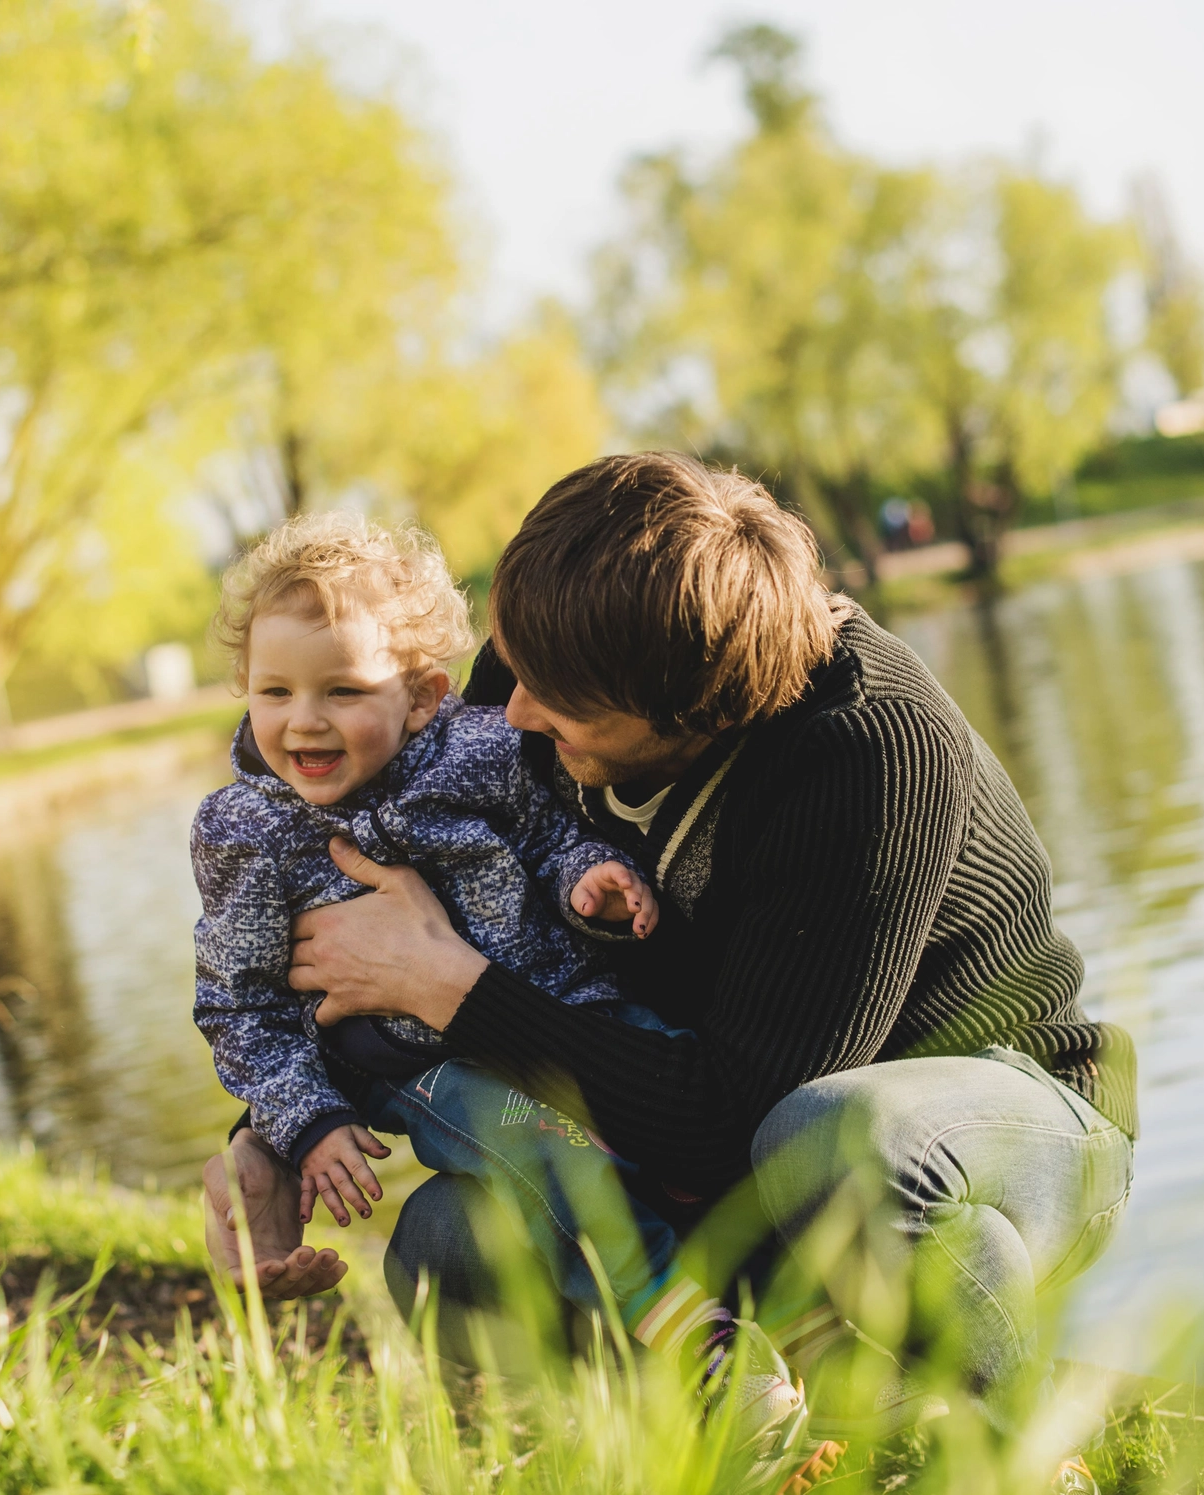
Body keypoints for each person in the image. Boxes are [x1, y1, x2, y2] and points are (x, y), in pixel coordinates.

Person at [202, 454, 1136, 1452]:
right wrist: (271, 1130)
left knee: (838, 1134)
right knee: (446, 1249)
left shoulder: (865, 749)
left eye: (554, 703)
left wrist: (448, 986)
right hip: (730, 1160)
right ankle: (754, 1405)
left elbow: (731, 1115)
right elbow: (358, 914)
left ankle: (1006, 1445)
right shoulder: (557, 657)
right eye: (510, 667)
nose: (509, 712)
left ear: (691, 712)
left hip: (981, 1127)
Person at [190, 512, 811, 1462]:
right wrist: (302, 1120)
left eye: (343, 689)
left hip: (557, 1006)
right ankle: (710, 1352)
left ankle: (788, 1309)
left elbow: (550, 832)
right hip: (410, 1055)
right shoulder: (247, 830)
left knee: (676, 1089)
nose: (303, 720)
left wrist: (589, 877)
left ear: (425, 695)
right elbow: (240, 1002)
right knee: (554, 1159)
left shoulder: (480, 749)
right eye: (274, 691)